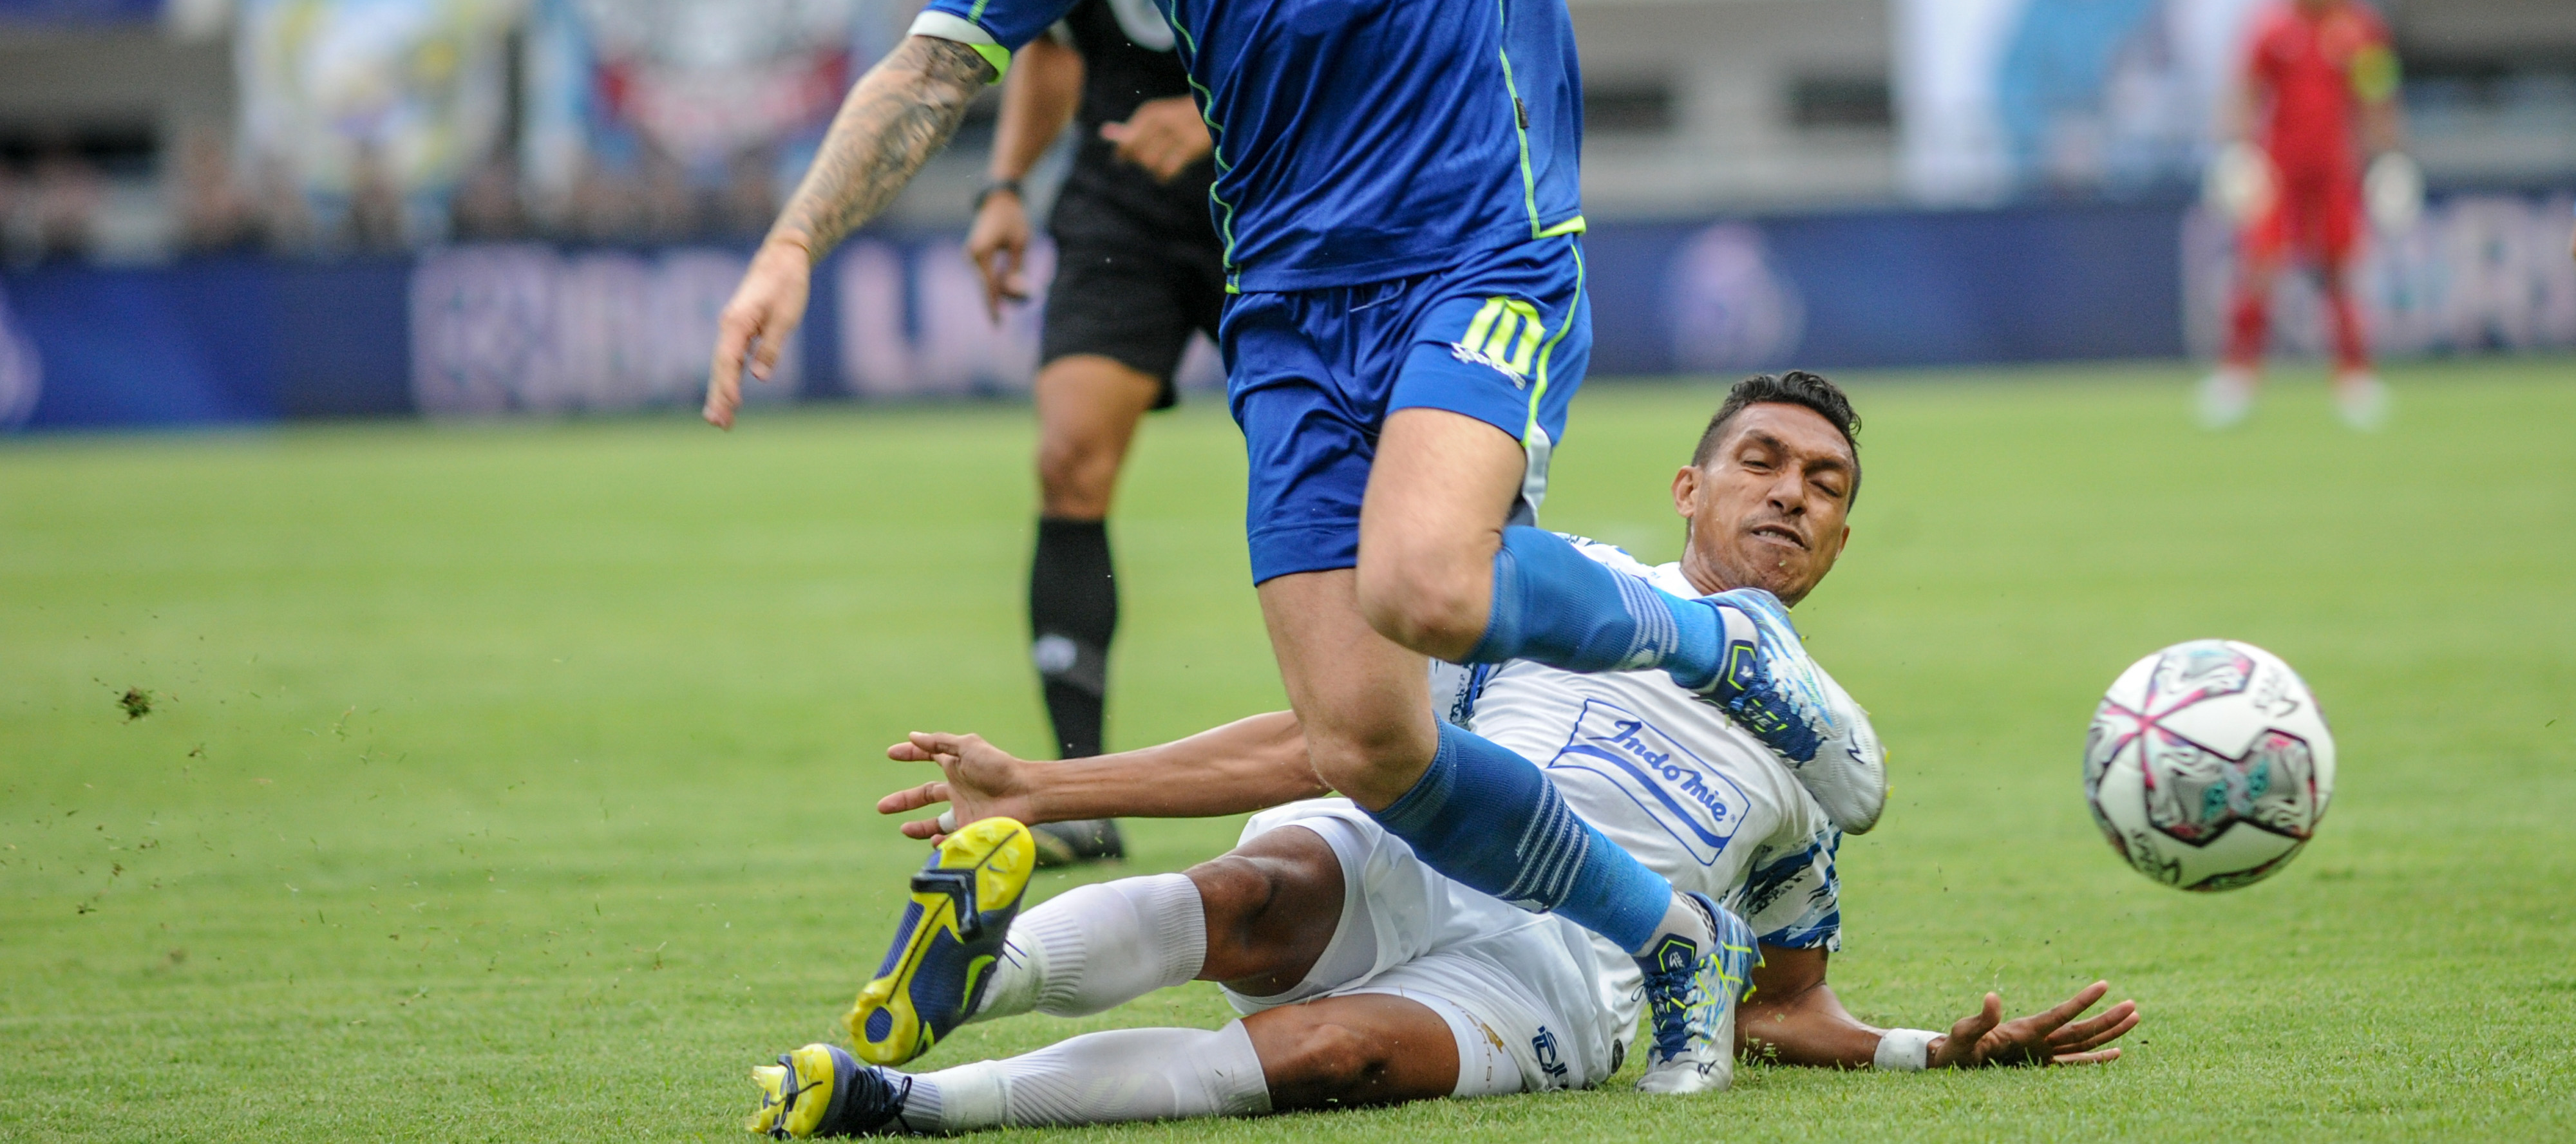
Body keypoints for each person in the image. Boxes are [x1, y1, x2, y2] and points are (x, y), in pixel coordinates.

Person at [702, 0, 2081, 1094]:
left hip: (1477, 244)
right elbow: (936, 62)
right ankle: (1667, 934)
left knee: (1426, 582)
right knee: (1370, 738)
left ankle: (1706, 643)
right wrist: (788, 243)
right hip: (1288, 310)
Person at [746, 373, 2139, 1136]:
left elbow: (1776, 1004)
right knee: (1261, 887)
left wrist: (1919, 1054)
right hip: (1411, 855)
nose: (1788, 490)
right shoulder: (1540, 584)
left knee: (1325, 1055)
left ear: (1838, 537)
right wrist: (1048, 783)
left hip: (1547, 976)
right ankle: (955, 980)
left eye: (1822, 483)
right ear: (1690, 487)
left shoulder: (1815, 770)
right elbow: (1328, 734)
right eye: (1761, 459)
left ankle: (901, 1095)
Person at [961, 0, 1229, 868]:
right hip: (1122, 196)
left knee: (1338, 473)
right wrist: (1008, 184)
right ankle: (1075, 787)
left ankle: (1402, 738)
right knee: (1070, 458)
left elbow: (1337, 4)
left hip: (1273, 189)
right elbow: (1060, 50)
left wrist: (1217, 107)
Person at [2201, 0, 2414, 431]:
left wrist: (2391, 158)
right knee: (2260, 267)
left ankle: (2353, 377)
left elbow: (2377, 99)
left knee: (2341, 270)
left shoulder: (2361, 28)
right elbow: (2244, 93)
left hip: (2334, 168)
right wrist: (2235, 150)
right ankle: (2239, 375)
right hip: (2279, 167)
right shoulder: (2273, 25)